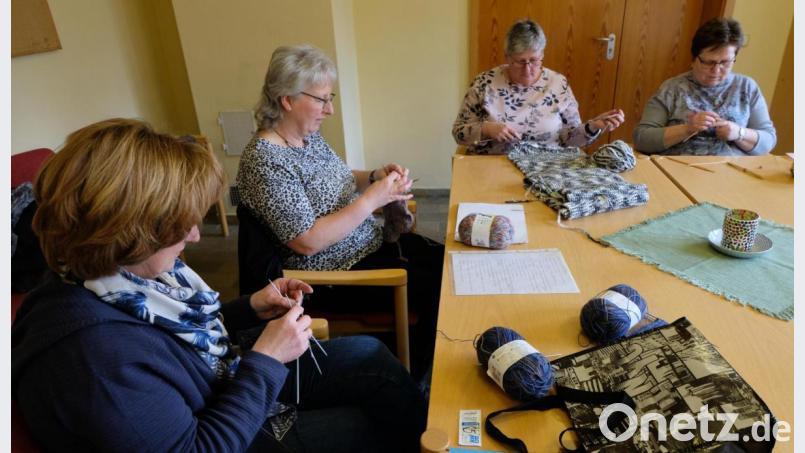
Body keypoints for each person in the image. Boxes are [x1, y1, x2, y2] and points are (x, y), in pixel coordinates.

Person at [11, 119, 426, 453]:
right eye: (181, 225)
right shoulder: (94, 363)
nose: (195, 236)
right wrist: (267, 359)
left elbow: (168, 339)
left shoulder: (117, 278)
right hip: (225, 430)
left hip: (222, 383)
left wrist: (249, 308)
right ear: (127, 233)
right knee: (370, 426)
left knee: (370, 355)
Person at [236, 45, 443, 381]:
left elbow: (342, 179)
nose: (330, 109)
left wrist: (373, 177)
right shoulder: (265, 161)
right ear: (287, 100)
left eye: (329, 98)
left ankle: (424, 358)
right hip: (332, 275)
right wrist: (372, 200)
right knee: (439, 288)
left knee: (449, 264)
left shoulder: (307, 138)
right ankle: (415, 374)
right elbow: (307, 241)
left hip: (368, 246)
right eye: (322, 99)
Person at [452, 19, 625, 155]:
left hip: (546, 167)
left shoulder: (558, 84)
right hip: (494, 164)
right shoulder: (484, 83)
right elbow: (458, 132)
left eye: (534, 60)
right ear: (507, 57)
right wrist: (486, 129)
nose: (528, 69)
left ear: (542, 54)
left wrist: (595, 125)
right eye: (520, 62)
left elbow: (571, 138)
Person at [633, 17, 776, 156]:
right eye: (709, 62)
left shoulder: (747, 87)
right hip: (680, 166)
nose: (716, 70)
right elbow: (641, 139)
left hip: (732, 167)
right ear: (694, 59)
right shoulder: (672, 88)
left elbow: (768, 141)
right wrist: (687, 129)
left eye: (725, 62)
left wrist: (740, 133)